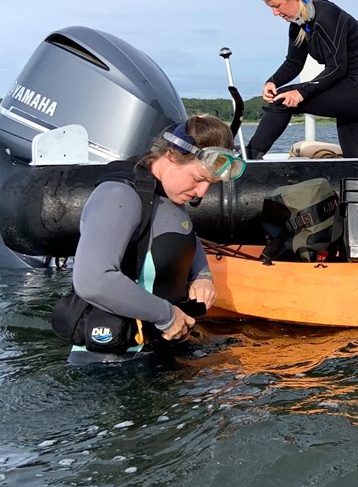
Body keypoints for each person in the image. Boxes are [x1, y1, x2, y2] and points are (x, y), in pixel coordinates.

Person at [67, 115, 243, 363]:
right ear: (171, 156)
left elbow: (182, 236)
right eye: (198, 179)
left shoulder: (167, 195)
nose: (201, 193)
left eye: (210, 184)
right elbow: (93, 280)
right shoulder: (119, 196)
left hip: (163, 348)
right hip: (113, 363)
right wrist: (167, 315)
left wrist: (202, 275)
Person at [244, 0, 358, 159]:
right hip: (352, 93)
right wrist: (273, 81)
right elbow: (294, 63)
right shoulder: (299, 23)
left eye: (276, 6)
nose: (275, 13)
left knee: (282, 100)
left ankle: (249, 159)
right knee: (356, 163)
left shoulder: (327, 15)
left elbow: (337, 67)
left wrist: (302, 91)